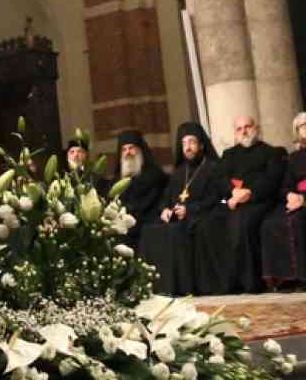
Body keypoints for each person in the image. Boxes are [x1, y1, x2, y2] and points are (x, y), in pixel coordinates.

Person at [137, 121, 229, 295]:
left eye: (192, 142)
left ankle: (179, 287)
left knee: (176, 231)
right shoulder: (179, 172)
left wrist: (190, 210)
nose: (188, 147)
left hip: (201, 216)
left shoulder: (213, 168)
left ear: (201, 145)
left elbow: (217, 198)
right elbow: (166, 197)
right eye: (184, 143)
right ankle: (156, 288)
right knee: (149, 230)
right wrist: (165, 209)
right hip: (177, 217)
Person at [201, 115, 286, 293]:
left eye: (248, 127)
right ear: (235, 133)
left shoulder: (272, 152)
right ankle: (225, 283)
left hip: (260, 201)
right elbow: (219, 179)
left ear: (256, 129)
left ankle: (250, 283)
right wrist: (232, 193)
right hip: (231, 200)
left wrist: (249, 193)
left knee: (244, 221)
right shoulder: (229, 154)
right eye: (239, 129)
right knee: (209, 222)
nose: (244, 131)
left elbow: (272, 180)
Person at [260, 111, 306, 291]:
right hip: (296, 200)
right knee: (270, 223)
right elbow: (285, 185)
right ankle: (284, 279)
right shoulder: (294, 158)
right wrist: (290, 196)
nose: (305, 127)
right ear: (297, 132)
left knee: (298, 221)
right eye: (301, 126)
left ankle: (305, 278)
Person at [110, 129, 168, 251]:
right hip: (124, 232)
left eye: (131, 148)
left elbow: (155, 205)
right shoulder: (116, 181)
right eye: (124, 149)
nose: (127, 153)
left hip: (148, 228)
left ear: (140, 150)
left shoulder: (155, 176)